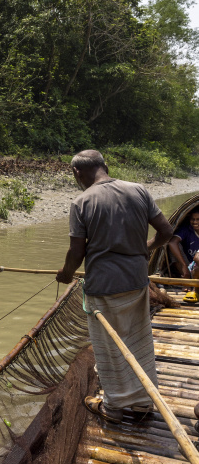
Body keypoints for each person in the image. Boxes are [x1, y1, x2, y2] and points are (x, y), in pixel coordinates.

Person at [56, 150, 174, 424]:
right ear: (105, 167)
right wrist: (147, 247)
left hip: (103, 287)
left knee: (109, 346)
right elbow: (167, 232)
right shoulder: (139, 191)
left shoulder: (81, 202)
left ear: (77, 173)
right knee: (138, 341)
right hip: (137, 283)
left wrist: (66, 274)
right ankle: (143, 404)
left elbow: (76, 253)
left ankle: (114, 407)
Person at [168, 209, 199, 304]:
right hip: (188, 267)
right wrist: (184, 266)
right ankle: (187, 280)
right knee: (174, 248)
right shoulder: (186, 229)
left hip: (197, 267)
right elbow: (172, 242)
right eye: (193, 219)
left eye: (198, 219)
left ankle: (194, 286)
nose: (195, 222)